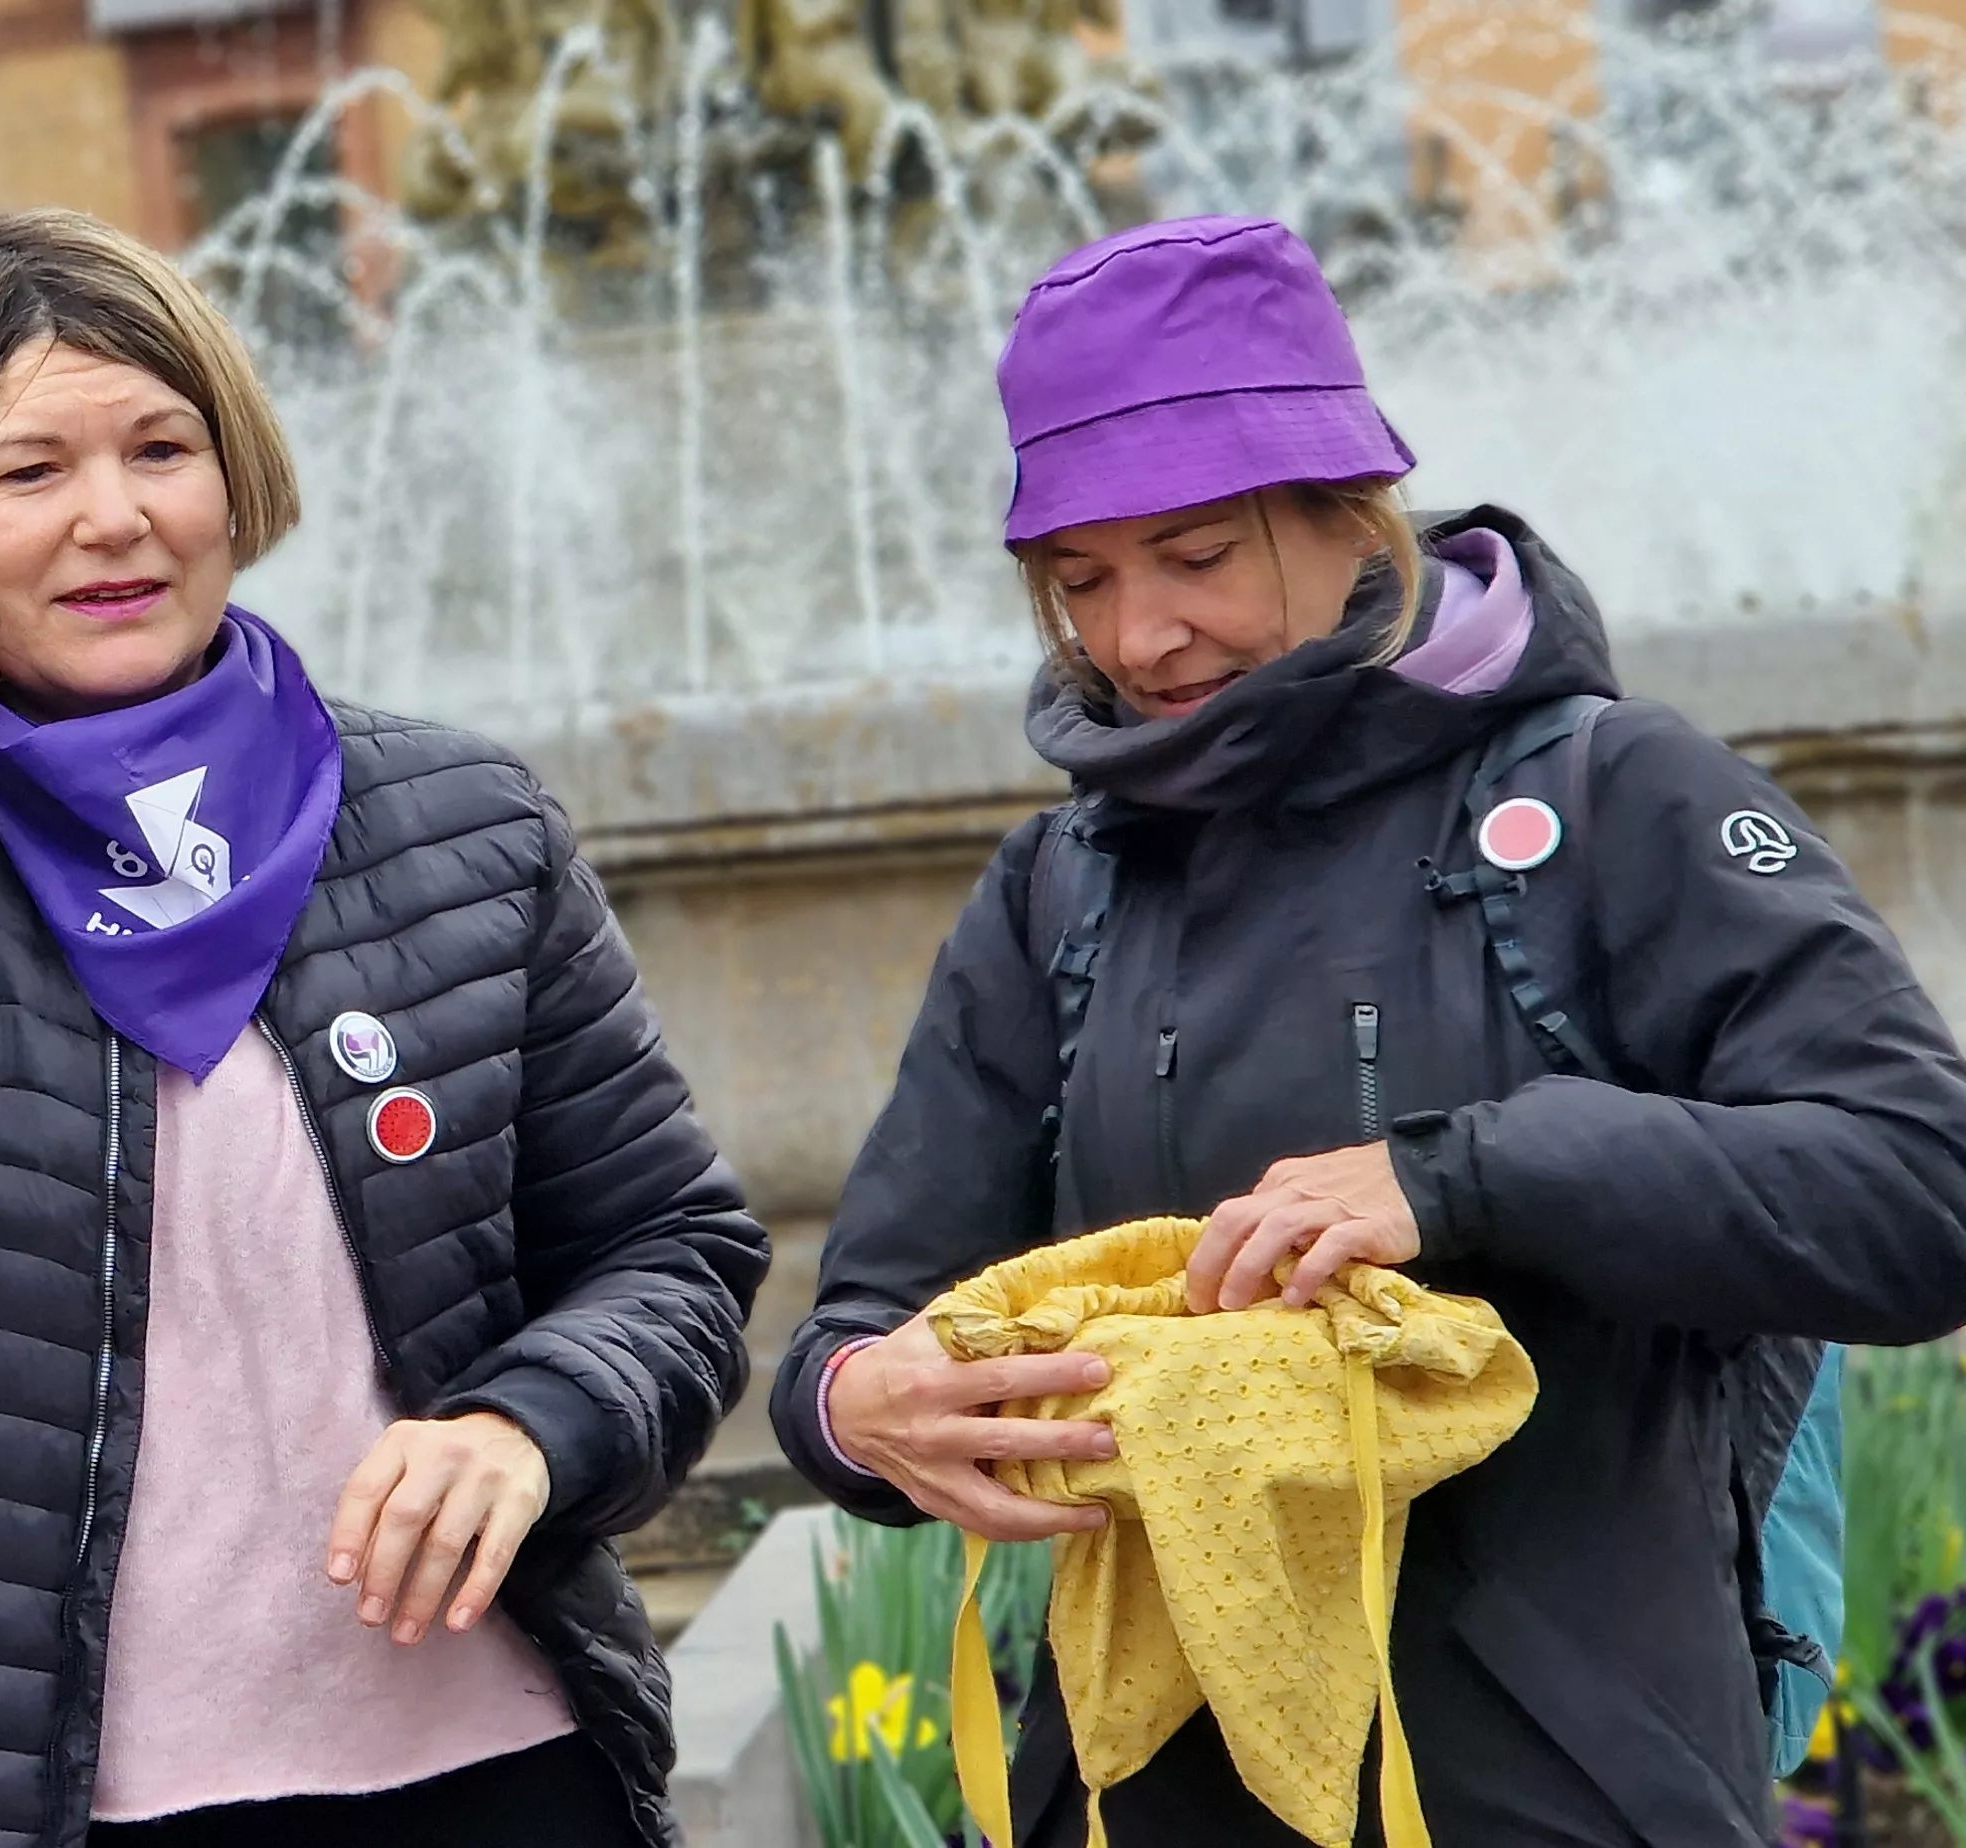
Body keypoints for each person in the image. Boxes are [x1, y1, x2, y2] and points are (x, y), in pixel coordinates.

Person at [772, 214, 1966, 1844]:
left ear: (1352, 513)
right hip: (1139, 1800)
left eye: (1195, 557)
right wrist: (854, 1408)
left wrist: (1464, 1179)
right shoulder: (1058, 889)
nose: (1136, 638)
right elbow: (865, 1321)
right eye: (1081, 581)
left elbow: (1919, 1191)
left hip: (1564, 1794)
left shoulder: (1615, 801)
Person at [0, 208, 770, 1848]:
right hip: (18, 1797)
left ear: (236, 476)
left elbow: (670, 1246)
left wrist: (533, 1424)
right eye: (28, 472)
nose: (115, 517)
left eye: (164, 445)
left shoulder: (452, 820)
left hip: (491, 1763)